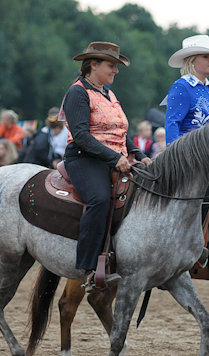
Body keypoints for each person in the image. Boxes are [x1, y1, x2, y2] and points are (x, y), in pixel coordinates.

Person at [60, 41, 151, 291]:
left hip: (115, 158)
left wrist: (139, 154)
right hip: (84, 158)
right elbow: (80, 135)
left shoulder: (109, 94)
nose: (116, 71)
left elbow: (120, 131)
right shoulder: (78, 92)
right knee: (100, 199)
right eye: (111, 65)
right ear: (93, 64)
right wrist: (114, 158)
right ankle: (89, 269)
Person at [164, 34, 209, 145]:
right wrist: (174, 158)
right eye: (205, 57)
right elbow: (173, 123)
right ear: (191, 61)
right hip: (190, 156)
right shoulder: (182, 87)